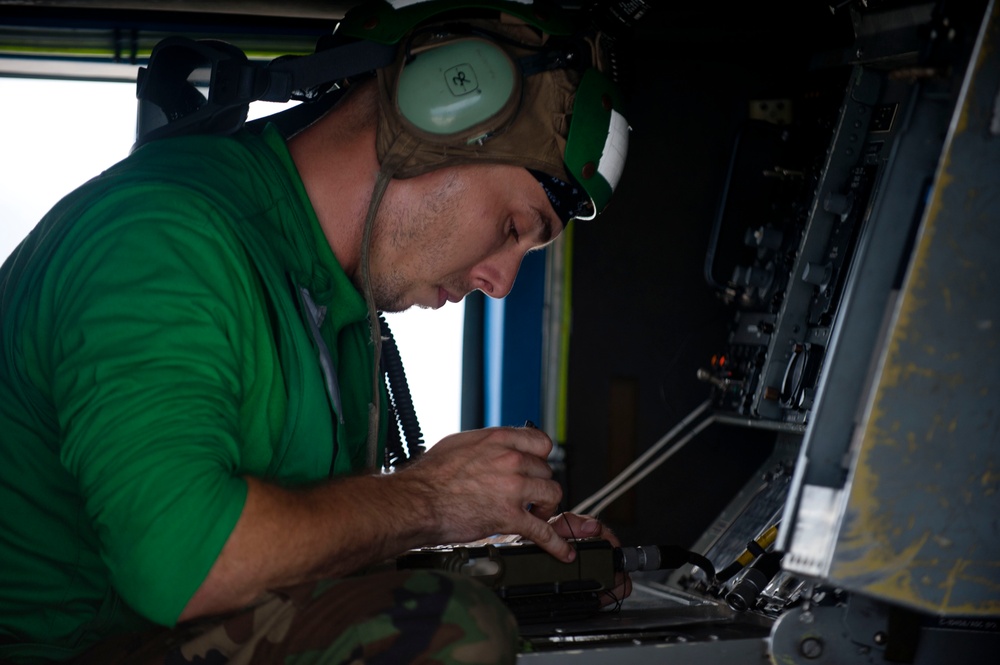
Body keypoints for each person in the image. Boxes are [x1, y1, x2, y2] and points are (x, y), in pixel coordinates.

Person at [0, 1, 631, 663]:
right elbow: (189, 565)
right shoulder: (162, 240)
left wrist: (487, 540)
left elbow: (304, 551)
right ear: (435, 117)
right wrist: (433, 498)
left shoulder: (334, 306)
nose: (500, 282)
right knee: (451, 628)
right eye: (511, 228)